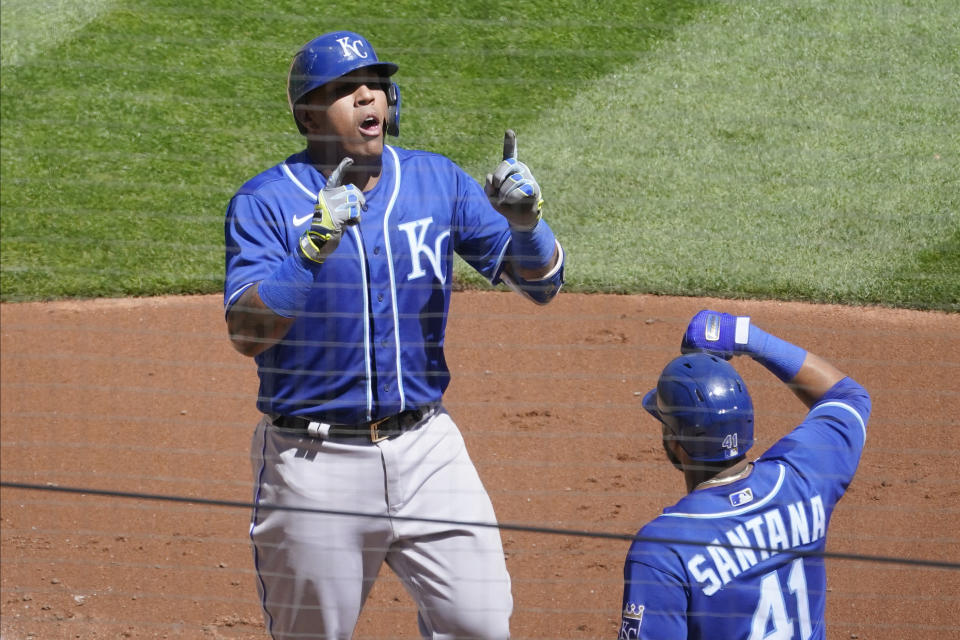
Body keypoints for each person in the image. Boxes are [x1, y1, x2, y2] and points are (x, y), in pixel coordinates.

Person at [223, 31, 564, 639]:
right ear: (306, 115)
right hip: (314, 460)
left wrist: (527, 223)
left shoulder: (438, 182)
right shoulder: (266, 202)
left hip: (429, 450)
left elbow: (540, 285)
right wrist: (309, 251)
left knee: (481, 626)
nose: (365, 97)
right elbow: (248, 334)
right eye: (344, 90)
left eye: (374, 85)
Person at [618, 309, 871, 639]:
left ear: (675, 443)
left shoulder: (663, 550)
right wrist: (746, 338)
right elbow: (847, 396)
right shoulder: (801, 476)